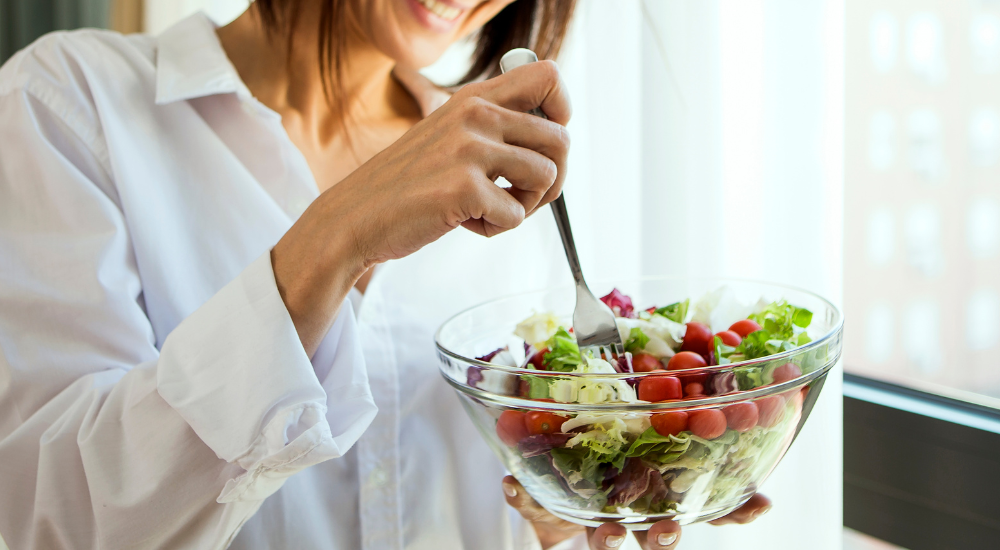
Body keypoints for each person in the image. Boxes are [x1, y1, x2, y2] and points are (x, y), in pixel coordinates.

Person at [0, 0, 770, 548]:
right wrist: (335, 236)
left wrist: (561, 505)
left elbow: (492, 495)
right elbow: (53, 522)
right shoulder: (69, 103)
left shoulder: (500, 168)